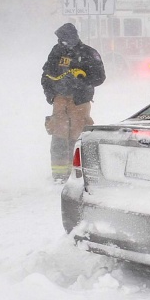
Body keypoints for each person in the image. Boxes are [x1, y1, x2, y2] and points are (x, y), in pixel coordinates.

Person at [41, 22, 106, 181]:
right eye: (60, 39)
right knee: (59, 136)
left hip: (80, 102)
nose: (61, 42)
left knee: (80, 135)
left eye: (63, 38)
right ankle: (59, 174)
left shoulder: (88, 53)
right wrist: (52, 96)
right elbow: (46, 76)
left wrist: (81, 82)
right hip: (60, 101)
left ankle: (81, 173)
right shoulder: (56, 52)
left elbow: (100, 77)